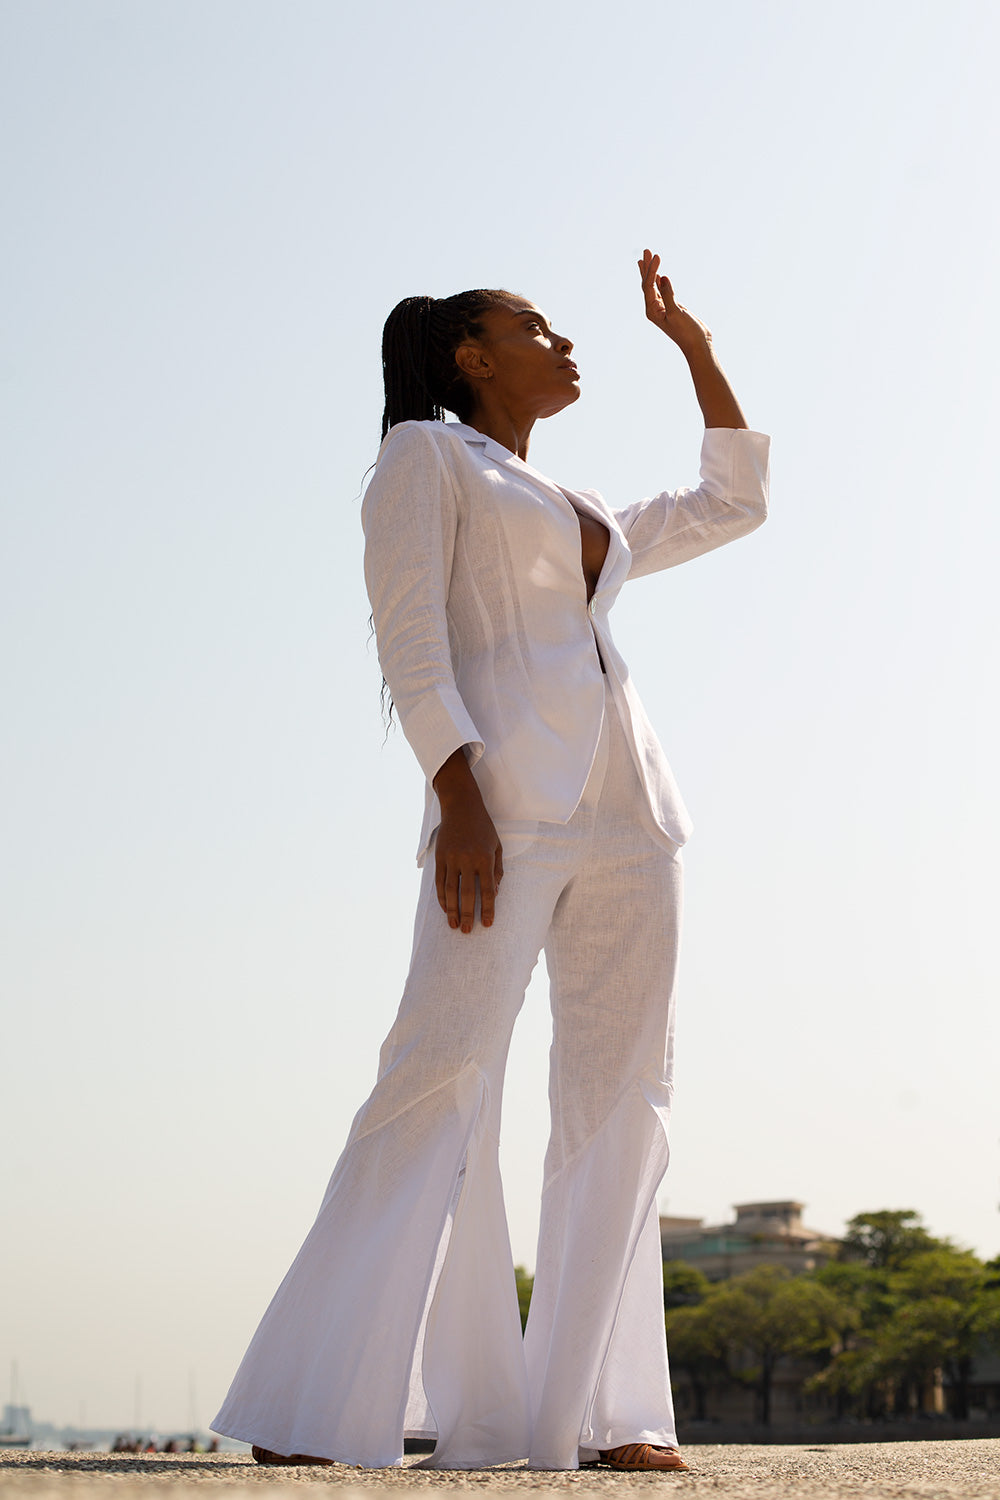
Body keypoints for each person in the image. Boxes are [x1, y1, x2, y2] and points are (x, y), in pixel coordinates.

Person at [211, 251, 769, 1472]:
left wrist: (698, 351)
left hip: (633, 820)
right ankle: (323, 1404)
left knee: (621, 1095)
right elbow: (411, 642)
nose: (565, 343)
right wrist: (453, 788)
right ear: (471, 355)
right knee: (438, 1068)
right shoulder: (424, 457)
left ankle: (600, 1412)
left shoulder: (575, 503)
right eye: (535, 326)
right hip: (502, 812)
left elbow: (731, 505)